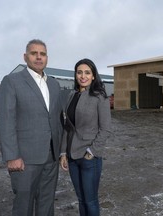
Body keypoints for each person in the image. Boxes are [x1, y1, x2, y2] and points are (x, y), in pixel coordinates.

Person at [0, 39, 63, 216]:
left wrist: (61, 151)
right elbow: (5, 120)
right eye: (34, 53)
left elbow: (58, 120)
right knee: (23, 206)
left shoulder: (54, 85)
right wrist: (12, 156)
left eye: (42, 54)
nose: (39, 57)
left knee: (46, 205)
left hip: (51, 157)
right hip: (25, 160)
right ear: (25, 57)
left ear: (47, 58)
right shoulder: (12, 81)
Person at [60, 58, 112, 216]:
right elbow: (67, 127)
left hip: (90, 158)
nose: (83, 76)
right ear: (75, 75)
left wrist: (92, 152)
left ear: (93, 76)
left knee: (90, 200)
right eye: (79, 72)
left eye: (87, 73)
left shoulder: (100, 97)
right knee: (81, 200)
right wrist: (63, 153)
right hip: (72, 157)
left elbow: (105, 129)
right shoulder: (71, 95)